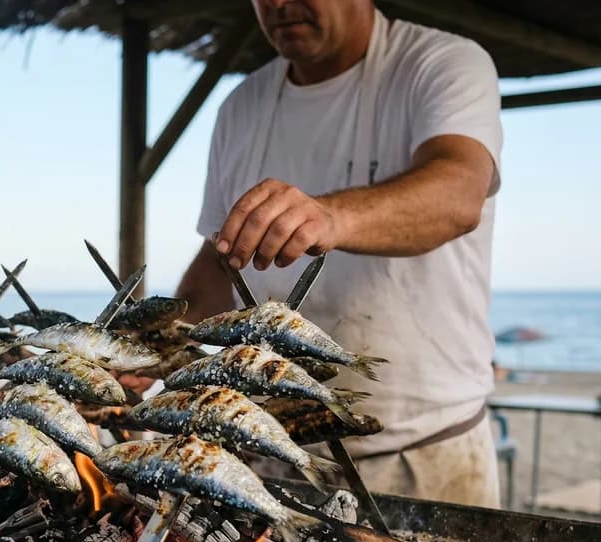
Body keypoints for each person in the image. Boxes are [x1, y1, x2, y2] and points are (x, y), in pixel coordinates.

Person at [174, 0, 503, 507]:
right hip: (264, 448)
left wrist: (332, 216)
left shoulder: (442, 63)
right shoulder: (242, 105)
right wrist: (159, 347)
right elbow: (221, 260)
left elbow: (459, 193)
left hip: (416, 453)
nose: (280, 5)